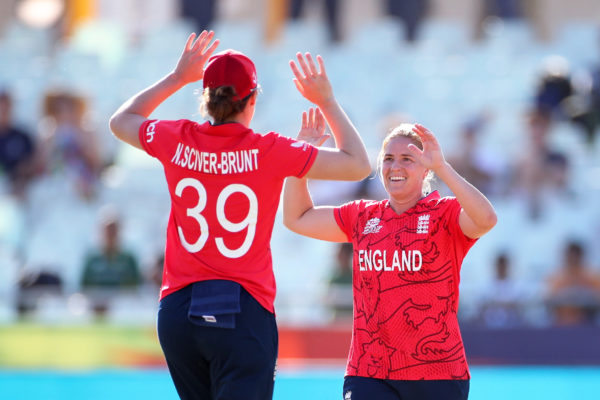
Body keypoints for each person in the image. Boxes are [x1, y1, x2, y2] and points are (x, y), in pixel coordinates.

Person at [108, 30, 370, 400]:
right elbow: (358, 164)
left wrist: (178, 77)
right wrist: (326, 101)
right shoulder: (270, 150)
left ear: (206, 98)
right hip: (242, 309)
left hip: (178, 312)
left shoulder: (176, 137)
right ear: (251, 100)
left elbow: (120, 121)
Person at [283, 123, 497, 400]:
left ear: (426, 169)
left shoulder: (444, 214)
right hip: (369, 371)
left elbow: (487, 220)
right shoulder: (363, 216)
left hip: (437, 372)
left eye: (407, 159)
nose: (395, 166)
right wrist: (300, 159)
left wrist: (444, 167)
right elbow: (296, 218)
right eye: (388, 159)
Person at [80, 208, 141, 318]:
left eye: (113, 230)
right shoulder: (92, 258)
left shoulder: (128, 258)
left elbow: (136, 287)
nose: (110, 234)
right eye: (108, 230)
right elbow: (84, 286)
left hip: (124, 309)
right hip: (96, 308)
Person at [546, 240, 600, 326]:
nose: (573, 260)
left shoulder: (592, 276)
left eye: (576, 257)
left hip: (587, 323)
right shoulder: (557, 277)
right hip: (561, 323)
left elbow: (597, 298)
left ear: (581, 257)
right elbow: (550, 299)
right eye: (570, 257)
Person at [0, 89, 37, 197]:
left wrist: (21, 178)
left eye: (5, 109)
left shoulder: (22, 136)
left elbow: (33, 164)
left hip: (17, 191)